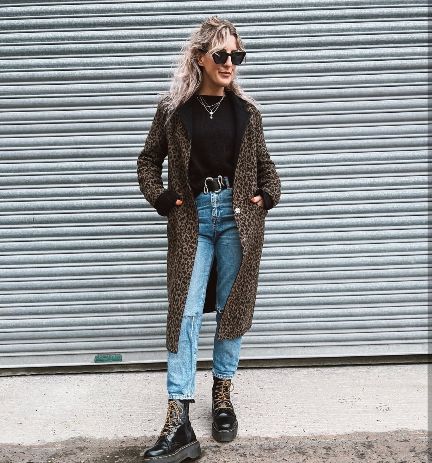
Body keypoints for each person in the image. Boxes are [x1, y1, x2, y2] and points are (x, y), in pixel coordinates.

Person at [137, 15, 281, 463]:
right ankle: (177, 417)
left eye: (237, 55)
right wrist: (164, 200)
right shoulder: (172, 110)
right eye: (222, 54)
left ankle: (222, 395)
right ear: (200, 57)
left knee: (233, 309)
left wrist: (267, 196)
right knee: (184, 312)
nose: (230, 62)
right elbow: (147, 163)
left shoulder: (248, 113)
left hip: (239, 221)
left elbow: (268, 171)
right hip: (193, 219)